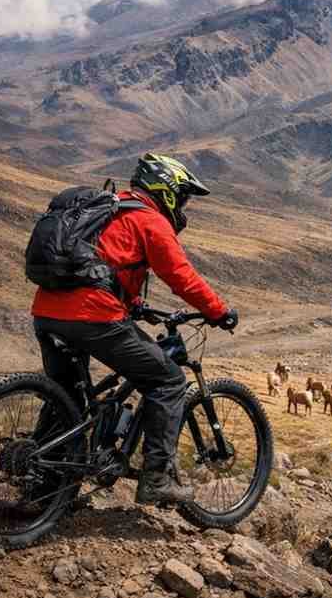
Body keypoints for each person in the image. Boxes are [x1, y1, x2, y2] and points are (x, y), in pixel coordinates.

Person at [31, 153, 237, 506]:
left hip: (47, 312)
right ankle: (156, 479)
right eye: (183, 197)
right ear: (167, 190)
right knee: (169, 382)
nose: (183, 206)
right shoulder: (149, 220)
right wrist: (218, 311)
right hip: (92, 317)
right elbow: (181, 277)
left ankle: (45, 494)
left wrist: (135, 304)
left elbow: (98, 267)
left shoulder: (109, 209)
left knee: (68, 401)